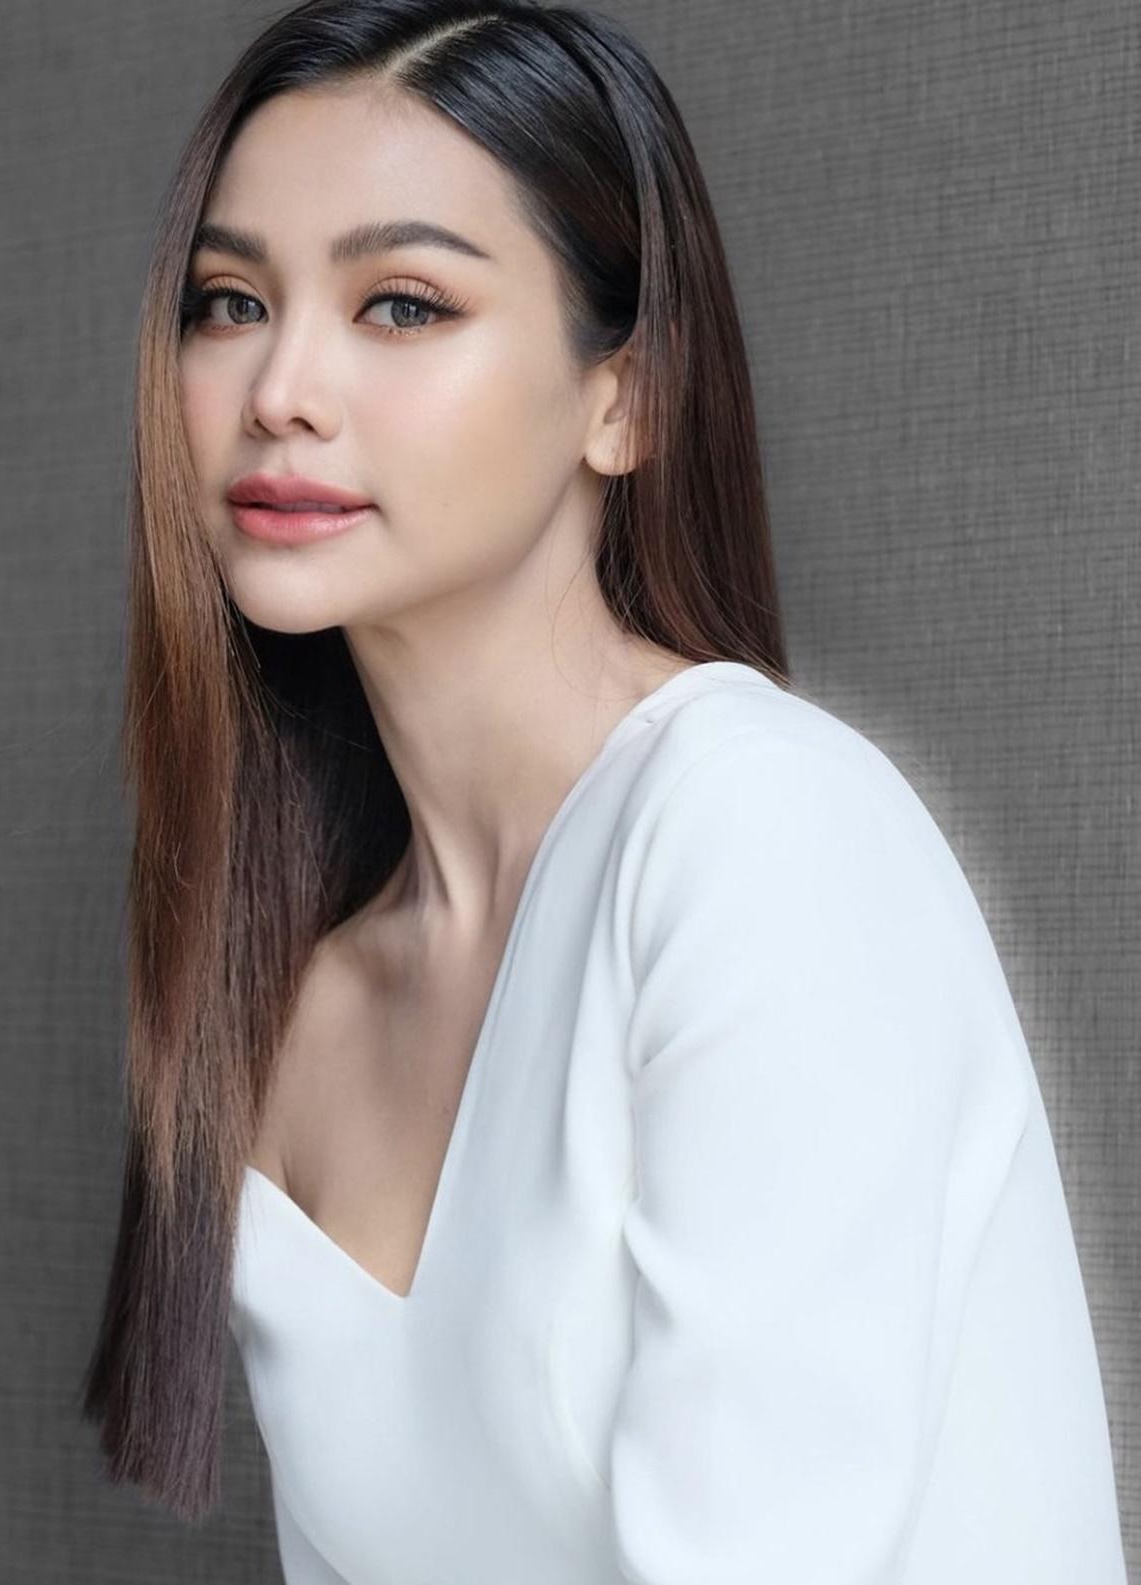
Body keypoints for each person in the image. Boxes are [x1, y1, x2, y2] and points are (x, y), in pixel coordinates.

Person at [79, 2, 1129, 1581]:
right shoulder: (287, 1015)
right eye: (232, 301)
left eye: (402, 304)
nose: (280, 387)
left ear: (623, 398)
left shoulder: (754, 834)